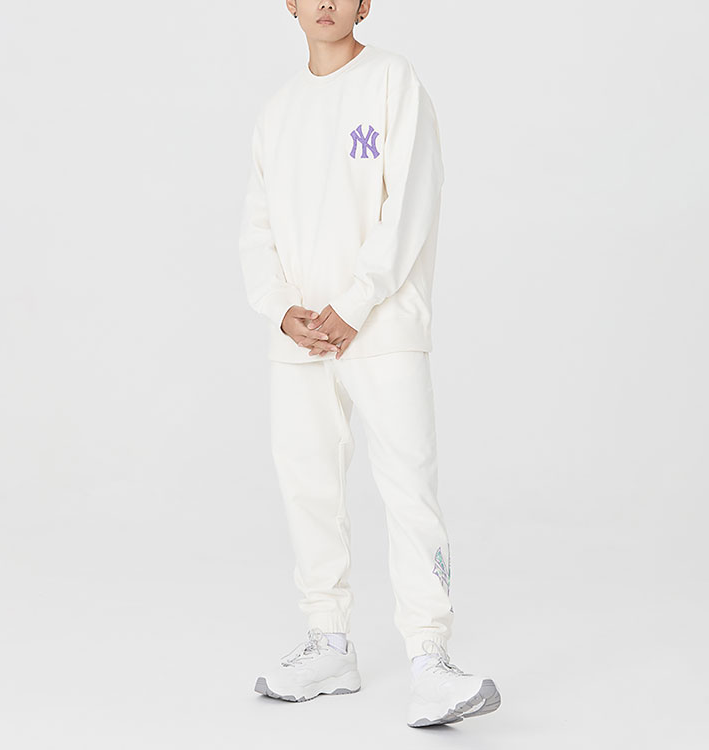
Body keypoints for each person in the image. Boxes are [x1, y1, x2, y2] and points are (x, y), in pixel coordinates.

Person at [237, 0, 501, 727]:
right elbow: (257, 229)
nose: (325, 2)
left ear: (364, 2)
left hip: (382, 326)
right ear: (290, 4)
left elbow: (411, 201)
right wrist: (281, 309)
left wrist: (355, 303)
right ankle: (329, 644)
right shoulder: (277, 112)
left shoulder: (393, 82)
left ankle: (430, 661)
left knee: (408, 486)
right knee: (309, 485)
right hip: (300, 338)